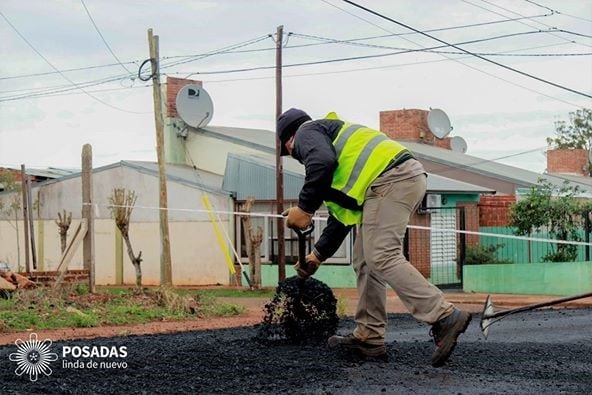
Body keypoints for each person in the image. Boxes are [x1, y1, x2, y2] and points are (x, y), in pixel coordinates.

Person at [277, 108, 471, 367]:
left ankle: (444, 316)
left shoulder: (306, 132)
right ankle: (369, 337)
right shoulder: (337, 151)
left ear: (289, 140)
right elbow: (341, 219)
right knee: (366, 259)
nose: (295, 155)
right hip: (395, 179)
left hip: (391, 179)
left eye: (289, 151)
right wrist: (317, 256)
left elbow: (321, 163)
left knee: (382, 254)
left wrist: (305, 207)